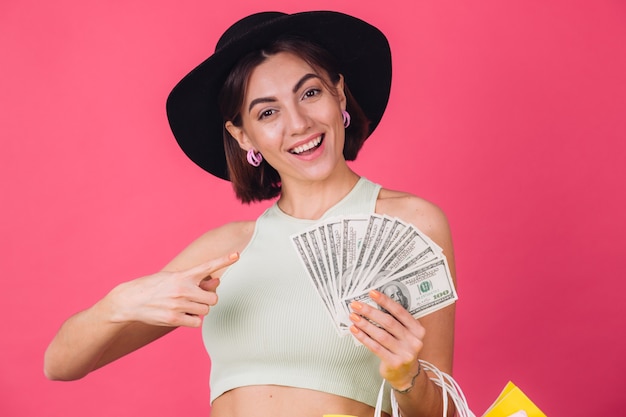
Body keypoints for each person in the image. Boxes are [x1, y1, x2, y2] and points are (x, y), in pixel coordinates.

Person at [44, 11, 457, 417]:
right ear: (243, 135)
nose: (298, 123)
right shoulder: (226, 250)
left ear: (340, 94)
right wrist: (118, 303)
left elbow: (441, 413)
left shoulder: (411, 224)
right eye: (267, 112)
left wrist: (407, 376)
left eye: (310, 93)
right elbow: (60, 365)